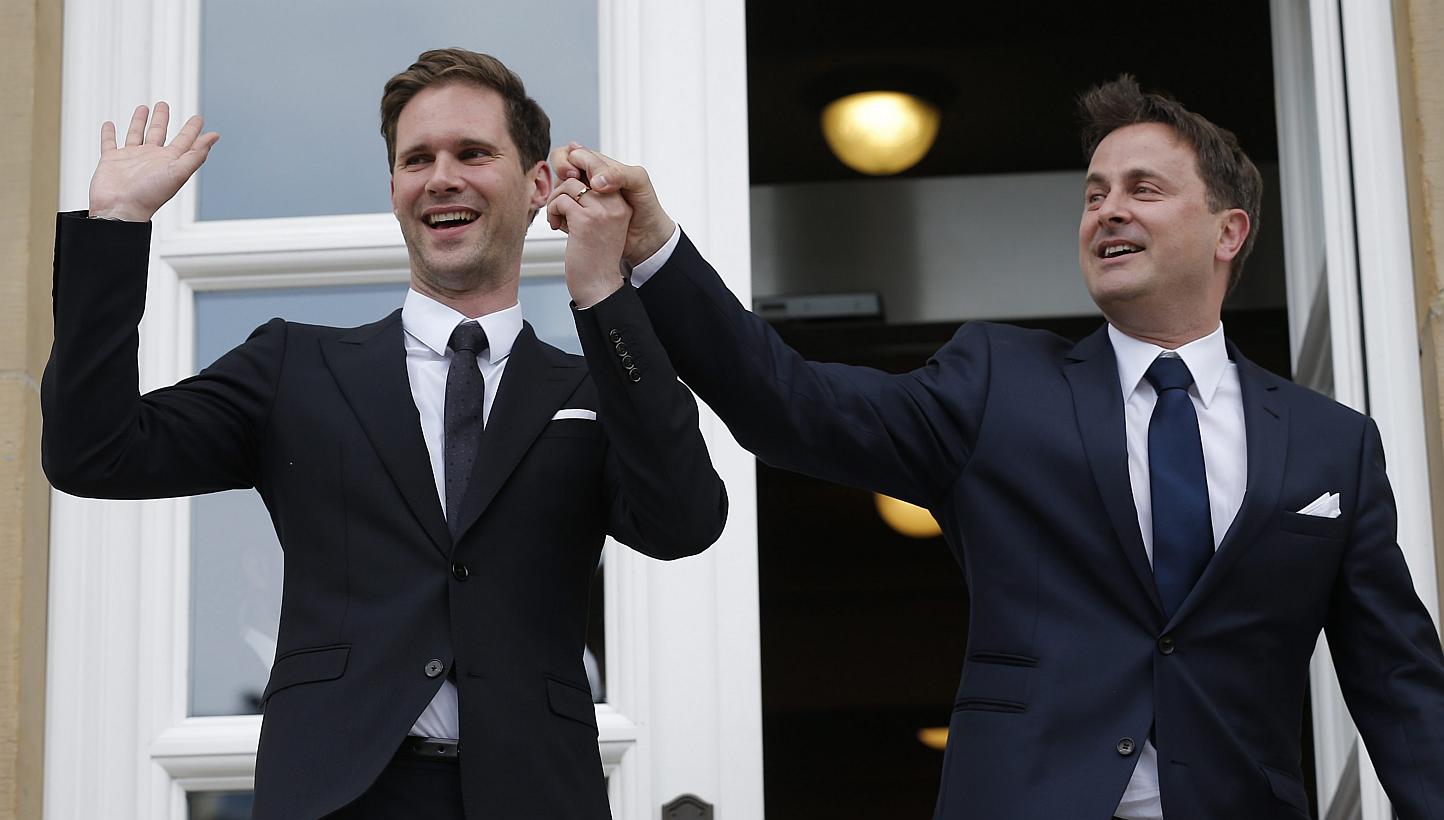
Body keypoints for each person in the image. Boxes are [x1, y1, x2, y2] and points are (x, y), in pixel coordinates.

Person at [548, 76, 1444, 819]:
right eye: (1093, 194)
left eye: (1142, 189)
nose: (1107, 212)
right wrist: (655, 249)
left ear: (1228, 232)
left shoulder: (1334, 448)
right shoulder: (997, 383)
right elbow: (791, 406)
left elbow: (1401, 687)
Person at [42, 48, 727, 820]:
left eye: (473, 153)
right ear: (395, 188)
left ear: (539, 185)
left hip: (537, 792)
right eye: (417, 159)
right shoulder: (293, 366)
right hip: (340, 794)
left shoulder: (593, 389)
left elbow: (686, 523)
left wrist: (604, 293)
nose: (442, 177)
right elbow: (93, 451)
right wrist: (116, 227)